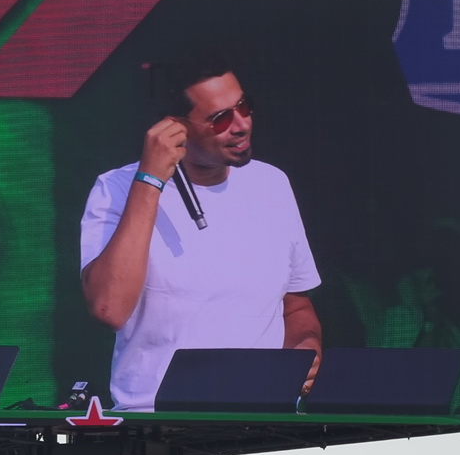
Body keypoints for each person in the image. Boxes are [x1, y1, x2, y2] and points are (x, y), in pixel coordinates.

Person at [80, 54, 322, 411]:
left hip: (264, 415)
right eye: (220, 118)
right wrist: (150, 180)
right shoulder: (115, 188)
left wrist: (306, 345)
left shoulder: (272, 183)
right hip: (157, 417)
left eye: (244, 106)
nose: (240, 124)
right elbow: (109, 308)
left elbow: (296, 304)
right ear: (174, 127)